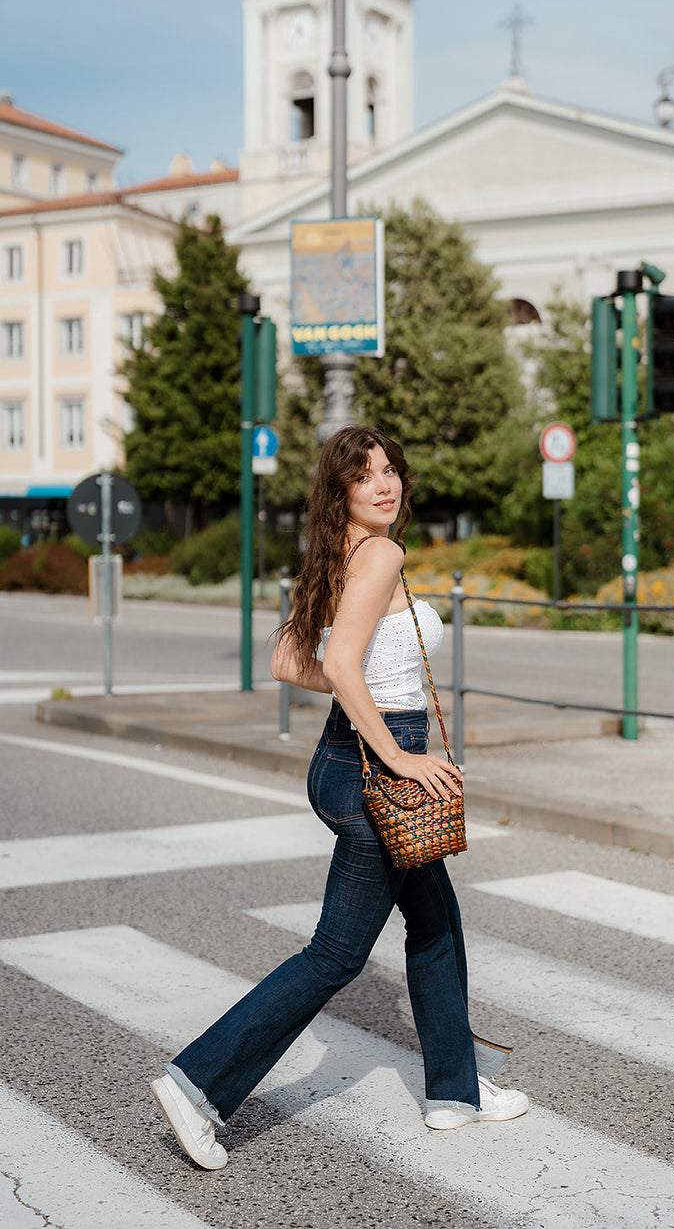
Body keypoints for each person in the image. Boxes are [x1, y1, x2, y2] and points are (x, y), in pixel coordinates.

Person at [150, 425, 528, 1169]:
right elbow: (340, 661)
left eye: (391, 470)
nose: (385, 484)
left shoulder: (337, 555)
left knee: (435, 922)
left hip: (339, 758)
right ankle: (197, 1084)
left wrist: (363, 698)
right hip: (373, 769)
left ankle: (456, 1091)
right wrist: (397, 753)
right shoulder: (381, 555)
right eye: (366, 476)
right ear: (343, 490)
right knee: (335, 955)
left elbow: (293, 658)